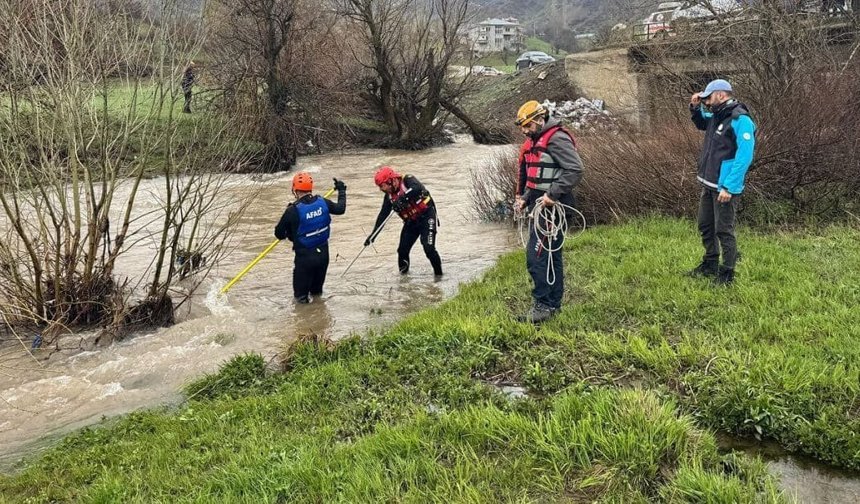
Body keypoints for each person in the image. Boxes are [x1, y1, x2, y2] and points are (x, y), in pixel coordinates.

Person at [513, 100, 584, 324]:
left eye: (527, 126)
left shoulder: (557, 138)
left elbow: (575, 169)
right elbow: (535, 178)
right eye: (522, 127)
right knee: (552, 256)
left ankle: (542, 305)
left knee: (537, 257)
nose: (524, 131)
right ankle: (553, 304)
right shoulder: (535, 140)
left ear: (539, 120)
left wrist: (552, 195)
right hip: (539, 204)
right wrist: (525, 198)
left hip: (553, 208)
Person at [688, 79, 756, 285]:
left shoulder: (740, 120)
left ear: (720, 94)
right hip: (708, 184)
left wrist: (729, 187)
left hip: (724, 188)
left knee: (723, 230)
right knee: (705, 225)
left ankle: (727, 273)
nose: (707, 101)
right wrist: (695, 106)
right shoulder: (717, 116)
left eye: (709, 97)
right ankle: (710, 263)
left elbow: (744, 157)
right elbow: (701, 122)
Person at [274, 172, 347, 303]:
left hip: (304, 260)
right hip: (323, 256)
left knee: (301, 300)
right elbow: (341, 209)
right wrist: (341, 190)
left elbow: (278, 234)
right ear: (310, 188)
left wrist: (290, 231)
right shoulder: (323, 202)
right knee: (317, 294)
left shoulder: (292, 211)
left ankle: (306, 321)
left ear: (294, 190)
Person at [365, 166, 443, 277]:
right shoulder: (389, 197)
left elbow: (416, 188)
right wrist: (373, 235)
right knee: (402, 251)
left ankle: (439, 277)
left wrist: (402, 199)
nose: (381, 189)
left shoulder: (408, 179)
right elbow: (383, 216)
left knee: (429, 248)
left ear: (391, 181)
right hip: (411, 223)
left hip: (426, 216)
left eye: (382, 186)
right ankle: (404, 282)